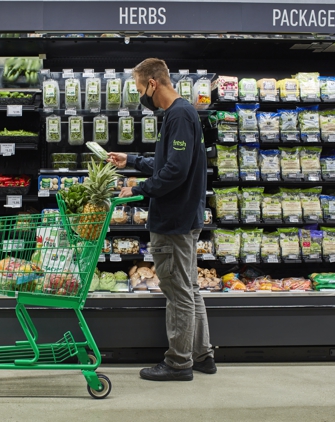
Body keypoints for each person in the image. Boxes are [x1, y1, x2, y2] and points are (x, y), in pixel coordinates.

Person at [108, 58, 216, 381]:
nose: (142, 97)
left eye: (141, 89)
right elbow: (166, 161)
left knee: (177, 290)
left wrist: (136, 189)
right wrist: (132, 160)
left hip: (174, 220)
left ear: (153, 84)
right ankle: (202, 354)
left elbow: (175, 171)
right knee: (190, 287)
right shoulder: (178, 114)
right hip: (184, 216)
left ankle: (178, 362)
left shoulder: (180, 114)